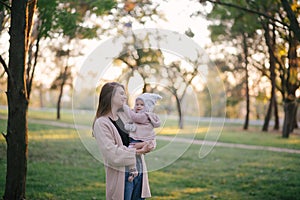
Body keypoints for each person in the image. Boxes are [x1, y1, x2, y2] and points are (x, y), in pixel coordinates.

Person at [92, 82, 153, 200]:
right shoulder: (101, 123)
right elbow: (112, 154)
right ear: (110, 96)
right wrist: (138, 151)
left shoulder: (126, 117)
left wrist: (147, 144)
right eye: (121, 93)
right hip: (122, 177)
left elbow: (139, 137)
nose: (124, 97)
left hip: (139, 173)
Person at [123, 93, 162, 182]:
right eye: (137, 104)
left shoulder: (145, 116)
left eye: (142, 104)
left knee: (130, 152)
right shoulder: (141, 114)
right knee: (135, 156)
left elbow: (134, 117)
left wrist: (126, 108)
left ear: (147, 107)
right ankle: (134, 171)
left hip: (140, 140)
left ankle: (133, 172)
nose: (138, 106)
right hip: (139, 139)